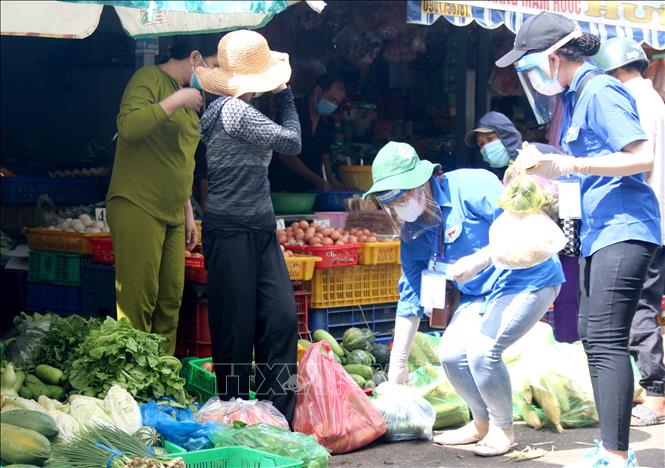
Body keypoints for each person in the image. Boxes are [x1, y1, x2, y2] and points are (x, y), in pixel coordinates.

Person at [496, 12, 661, 468]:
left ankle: (615, 453)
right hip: (600, 229)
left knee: (606, 338)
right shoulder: (575, 96)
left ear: (552, 59)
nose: (527, 74)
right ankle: (611, 443)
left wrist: (572, 167)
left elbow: (641, 155)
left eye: (527, 64)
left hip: (624, 228)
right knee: (593, 334)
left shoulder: (600, 89)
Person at [364, 141, 564, 457]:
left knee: (483, 353)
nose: (401, 208)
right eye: (391, 204)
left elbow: (525, 224)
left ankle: (503, 429)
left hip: (526, 279)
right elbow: (412, 295)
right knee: (452, 355)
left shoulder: (471, 185)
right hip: (478, 296)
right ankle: (481, 423)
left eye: (402, 197)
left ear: (421, 182)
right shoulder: (412, 232)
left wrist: (482, 259)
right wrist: (398, 363)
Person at [194, 30, 301, 421]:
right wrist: (288, 95)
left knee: (280, 320)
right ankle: (236, 417)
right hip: (232, 230)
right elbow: (292, 142)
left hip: (258, 228)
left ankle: (277, 419)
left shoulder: (229, 108)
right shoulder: (234, 110)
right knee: (235, 333)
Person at [106, 34, 219, 355]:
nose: (215, 76)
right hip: (137, 204)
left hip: (173, 211)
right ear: (195, 57)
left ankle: (159, 375)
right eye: (212, 66)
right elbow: (128, 126)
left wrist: (188, 214)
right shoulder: (149, 79)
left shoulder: (192, 98)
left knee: (170, 297)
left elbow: (176, 159)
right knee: (139, 298)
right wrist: (177, 100)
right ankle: (133, 379)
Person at [594, 37, 665, 427]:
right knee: (645, 306)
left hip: (645, 219)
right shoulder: (653, 98)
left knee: (639, 306)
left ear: (613, 72)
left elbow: (635, 163)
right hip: (658, 218)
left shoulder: (633, 101)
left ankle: (656, 394)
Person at [269, 74, 346, 191]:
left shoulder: (327, 122)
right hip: (282, 184)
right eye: (331, 99)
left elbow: (325, 157)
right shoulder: (291, 111)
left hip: (309, 189)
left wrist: (334, 184)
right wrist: (317, 180)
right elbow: (286, 155)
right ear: (318, 91)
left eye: (336, 103)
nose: (333, 105)